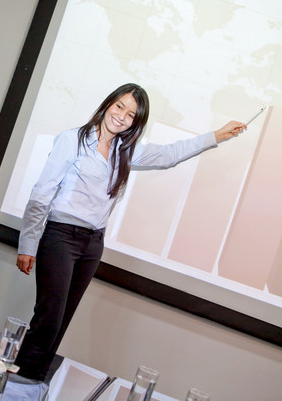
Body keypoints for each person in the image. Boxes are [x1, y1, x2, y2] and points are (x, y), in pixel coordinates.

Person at [14, 83, 247, 381]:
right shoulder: (71, 140)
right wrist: (28, 244)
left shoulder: (126, 151)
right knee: (49, 317)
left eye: (131, 114)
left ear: (136, 123)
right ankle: (17, 381)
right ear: (108, 104)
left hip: (92, 244)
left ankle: (34, 382)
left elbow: (168, 155)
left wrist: (216, 135)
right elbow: (41, 194)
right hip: (60, 236)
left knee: (63, 319)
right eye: (119, 106)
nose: (122, 116)